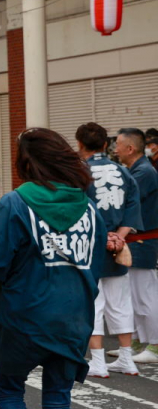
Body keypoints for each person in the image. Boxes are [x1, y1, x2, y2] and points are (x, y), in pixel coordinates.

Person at [0, 127, 108, 409]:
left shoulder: (17, 203)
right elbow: (95, 266)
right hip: (75, 317)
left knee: (11, 394)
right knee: (58, 405)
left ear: (26, 163)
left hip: (25, 315)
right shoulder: (89, 208)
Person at [74, 123, 142, 377]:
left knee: (94, 302)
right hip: (117, 245)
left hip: (90, 245)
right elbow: (133, 208)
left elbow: (77, 210)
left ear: (80, 144)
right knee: (121, 302)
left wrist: (103, 236)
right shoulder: (123, 171)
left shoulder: (79, 171)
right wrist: (118, 237)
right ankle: (126, 358)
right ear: (106, 144)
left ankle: (99, 361)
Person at [116, 127, 158, 365]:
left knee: (145, 295)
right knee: (133, 295)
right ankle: (134, 342)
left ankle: (155, 345)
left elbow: (126, 205)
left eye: (119, 145)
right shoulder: (139, 169)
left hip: (143, 240)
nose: (116, 149)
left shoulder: (143, 172)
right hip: (137, 240)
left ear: (130, 148)